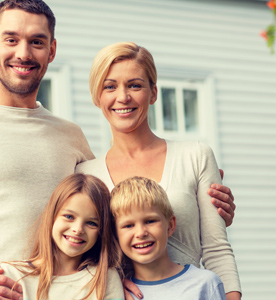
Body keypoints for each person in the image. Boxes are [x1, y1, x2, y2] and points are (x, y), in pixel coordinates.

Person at [0, 1, 236, 300]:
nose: (23, 53)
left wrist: (196, 206)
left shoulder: (68, 135)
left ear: (51, 50)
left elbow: (111, 207)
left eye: (36, 42)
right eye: (12, 39)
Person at [76, 42, 242, 300]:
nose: (123, 97)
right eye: (110, 86)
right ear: (97, 97)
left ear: (153, 93)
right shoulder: (87, 175)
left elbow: (216, 248)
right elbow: (80, 255)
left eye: (134, 85)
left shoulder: (195, 156)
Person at [1, 173, 123, 300]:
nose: (78, 229)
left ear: (102, 232)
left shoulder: (105, 278)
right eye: (69, 216)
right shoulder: (11, 276)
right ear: (52, 216)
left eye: (91, 223)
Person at [111, 176, 226, 300]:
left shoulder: (206, 284)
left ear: (170, 226)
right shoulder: (115, 293)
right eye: (128, 225)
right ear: (115, 234)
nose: (141, 233)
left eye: (150, 221)